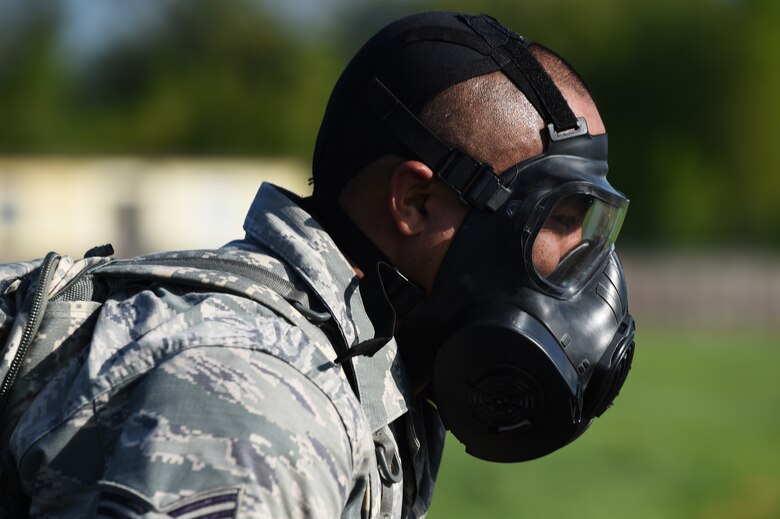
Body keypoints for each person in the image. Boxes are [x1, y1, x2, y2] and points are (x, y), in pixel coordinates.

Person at [0, 11, 635, 518]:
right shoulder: (257, 403)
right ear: (415, 203)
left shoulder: (367, 363)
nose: (582, 263)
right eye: (559, 219)